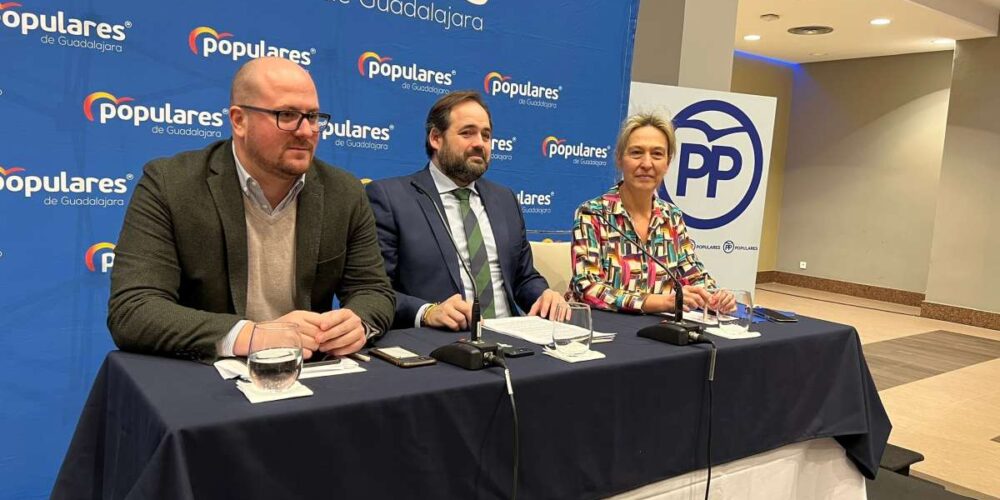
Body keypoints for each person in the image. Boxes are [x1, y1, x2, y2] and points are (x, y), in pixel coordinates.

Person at [108, 57, 395, 364]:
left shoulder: (345, 191)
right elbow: (134, 308)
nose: (306, 131)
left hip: (312, 374)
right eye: (286, 115)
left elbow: (373, 290)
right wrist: (252, 335)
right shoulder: (169, 184)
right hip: (206, 378)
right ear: (238, 120)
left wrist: (358, 323)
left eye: (312, 117)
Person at [365, 90, 565, 330]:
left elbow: (524, 278)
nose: (479, 143)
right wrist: (428, 312)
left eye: (486, 135)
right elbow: (373, 291)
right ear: (436, 138)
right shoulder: (391, 197)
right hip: (440, 343)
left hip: (514, 338)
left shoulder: (505, 199)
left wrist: (543, 295)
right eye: (467, 133)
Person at [570, 112, 735, 314]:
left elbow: (695, 276)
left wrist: (715, 296)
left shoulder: (671, 217)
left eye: (657, 154)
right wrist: (661, 302)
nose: (647, 164)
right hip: (606, 330)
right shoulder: (592, 214)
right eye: (637, 153)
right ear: (620, 159)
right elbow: (588, 288)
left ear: (667, 162)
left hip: (662, 331)